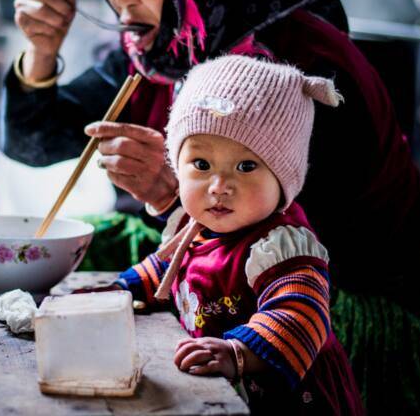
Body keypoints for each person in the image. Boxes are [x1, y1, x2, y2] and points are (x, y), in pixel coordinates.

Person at [2, 0, 420, 414]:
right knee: (71, 245)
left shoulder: (301, 71)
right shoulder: (161, 49)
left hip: (342, 293)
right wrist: (39, 52)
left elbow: (294, 247)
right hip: (222, 252)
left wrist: (169, 197)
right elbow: (35, 144)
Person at [104, 55, 362, 414]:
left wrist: (238, 353)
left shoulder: (282, 247)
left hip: (295, 399)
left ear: (284, 177)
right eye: (201, 165)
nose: (219, 186)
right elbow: (164, 269)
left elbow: (302, 314)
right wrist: (118, 291)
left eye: (246, 166)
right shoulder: (194, 229)